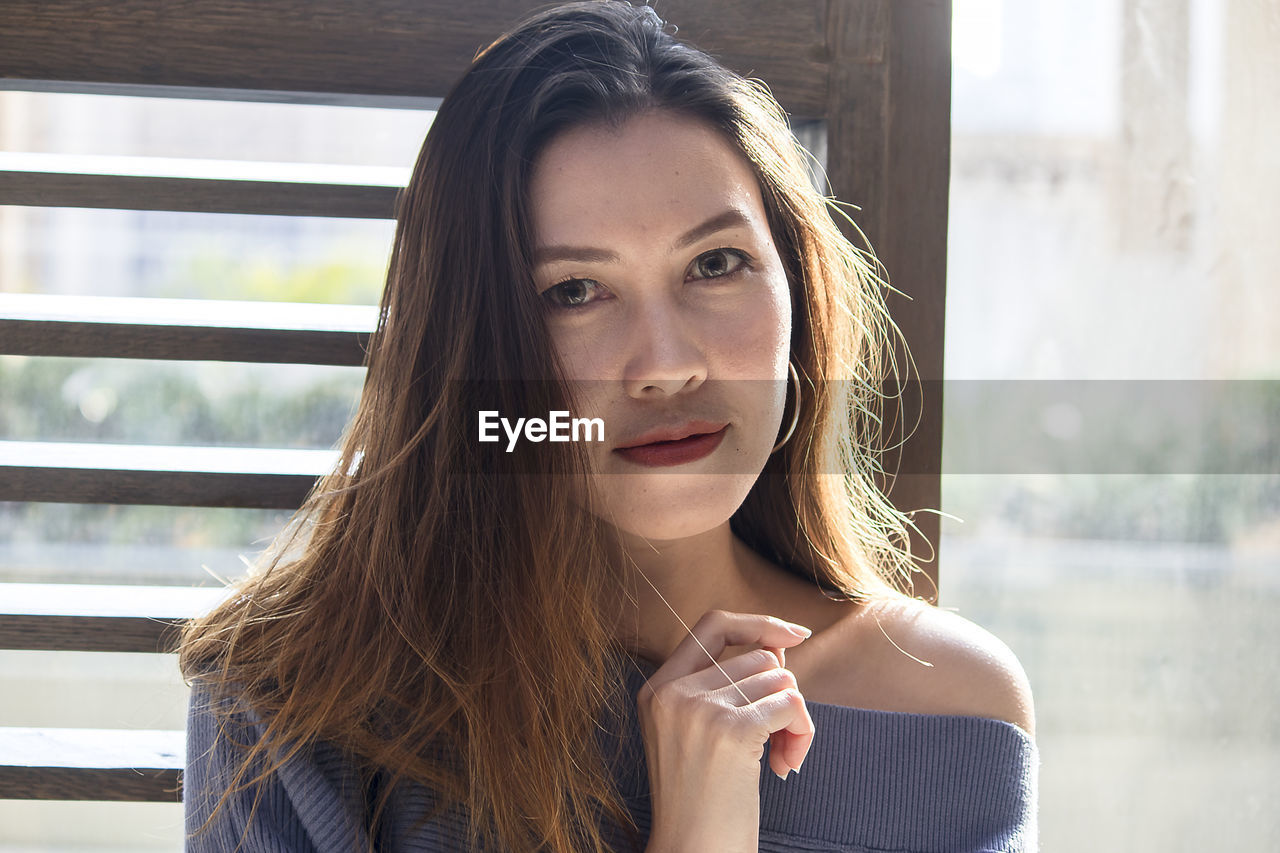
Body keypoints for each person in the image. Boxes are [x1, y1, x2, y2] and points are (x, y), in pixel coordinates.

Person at [180, 2, 1039, 851]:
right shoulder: (296, 699)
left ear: (799, 298)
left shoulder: (951, 710)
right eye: (574, 292)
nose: (666, 363)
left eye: (715, 264)